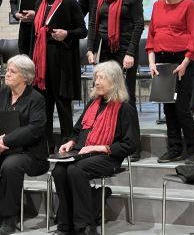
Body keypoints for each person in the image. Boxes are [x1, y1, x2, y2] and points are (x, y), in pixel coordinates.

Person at [52, 60, 138, 235]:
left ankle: (85, 225)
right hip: (84, 153)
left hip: (109, 157)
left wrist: (100, 148)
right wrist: (71, 142)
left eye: (102, 78)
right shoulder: (93, 104)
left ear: (114, 81)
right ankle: (66, 222)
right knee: (59, 171)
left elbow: (130, 144)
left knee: (75, 171)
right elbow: (76, 131)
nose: (96, 82)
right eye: (96, 77)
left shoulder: (125, 109)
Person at [0, 55, 49, 235]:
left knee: (11, 165)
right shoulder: (0, 95)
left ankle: (9, 217)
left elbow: (34, 129)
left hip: (28, 152)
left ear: (25, 76)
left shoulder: (36, 99)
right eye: (7, 70)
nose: (6, 74)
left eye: (12, 71)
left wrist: (4, 141)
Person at [87, 0, 144, 162]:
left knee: (126, 97)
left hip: (125, 50)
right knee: (106, 96)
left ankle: (133, 145)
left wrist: (130, 53)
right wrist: (91, 48)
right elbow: (93, 23)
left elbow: (139, 24)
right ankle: (110, 139)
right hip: (106, 51)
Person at [146, 0, 194, 164]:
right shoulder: (157, 6)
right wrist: (152, 62)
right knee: (168, 107)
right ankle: (175, 148)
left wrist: (186, 61)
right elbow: (152, 35)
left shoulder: (190, 5)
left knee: (181, 108)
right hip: (161, 60)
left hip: (182, 60)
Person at [31, 0, 87, 154]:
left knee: (62, 105)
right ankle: (46, 144)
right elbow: (36, 33)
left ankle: (67, 142)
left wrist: (67, 34)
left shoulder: (70, 3)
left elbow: (82, 30)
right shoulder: (40, 2)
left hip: (62, 62)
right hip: (42, 63)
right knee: (43, 105)